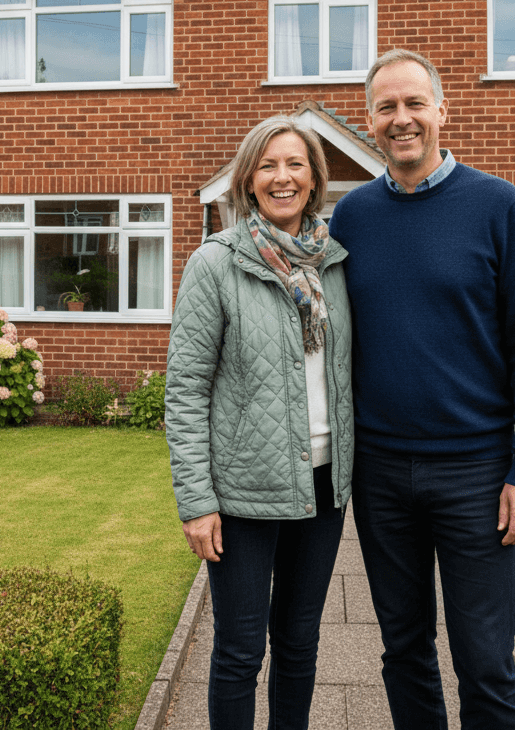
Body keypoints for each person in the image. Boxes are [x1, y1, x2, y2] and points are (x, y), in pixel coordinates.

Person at [328, 49, 515, 730]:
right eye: (386, 107)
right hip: (380, 473)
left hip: (477, 473)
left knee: (486, 659)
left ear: (441, 111)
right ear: (369, 120)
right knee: (403, 650)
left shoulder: (497, 205)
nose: (401, 119)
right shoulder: (354, 218)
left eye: (413, 104)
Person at [165, 115, 354, 730]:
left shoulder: (334, 262)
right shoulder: (215, 263)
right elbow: (187, 391)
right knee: (240, 652)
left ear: (314, 178)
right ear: (248, 181)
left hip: (324, 487)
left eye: (295, 164)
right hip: (243, 494)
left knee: (299, 647)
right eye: (268, 165)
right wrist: (196, 501)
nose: (282, 177)